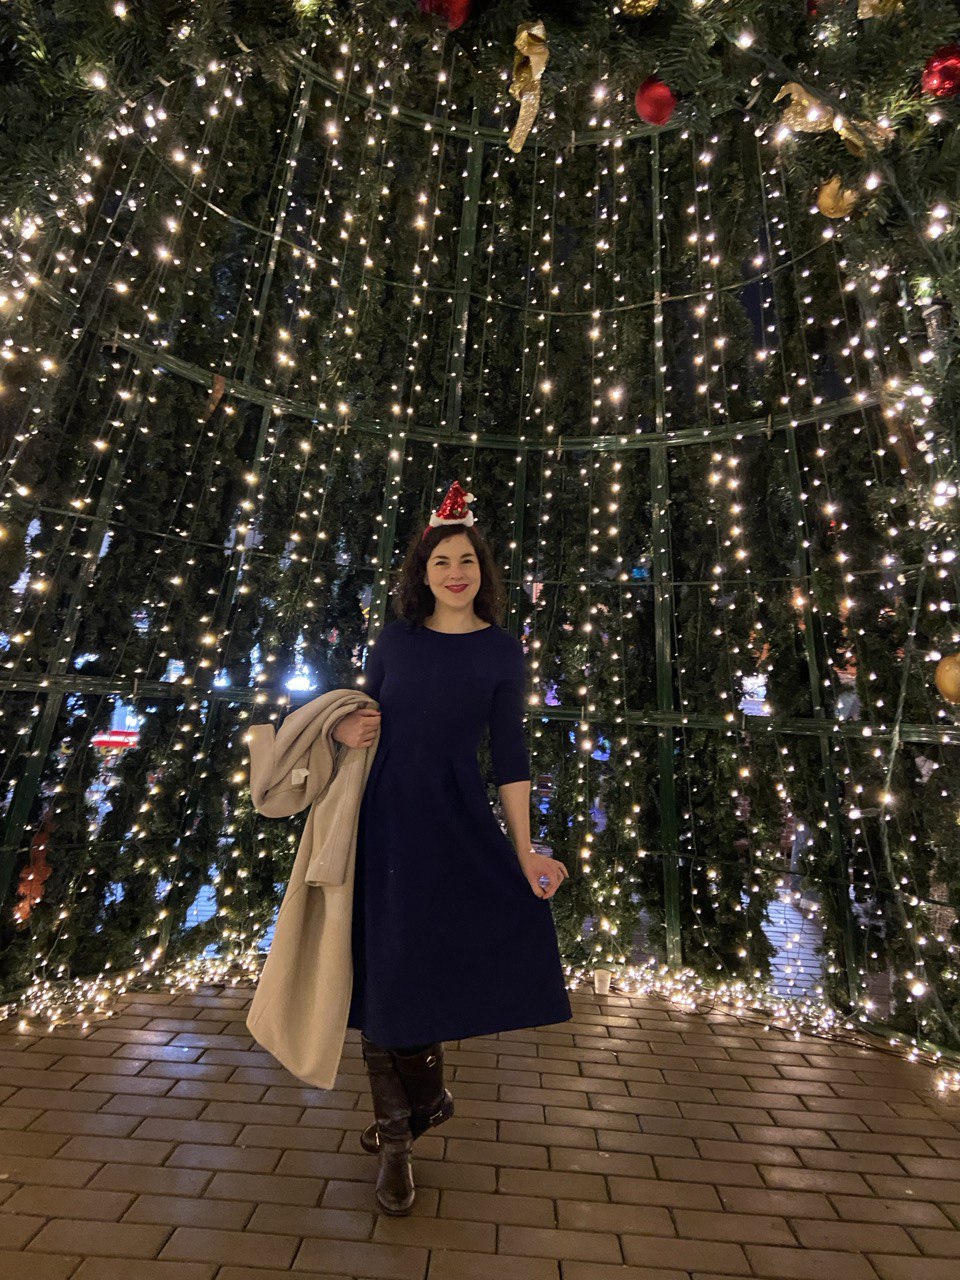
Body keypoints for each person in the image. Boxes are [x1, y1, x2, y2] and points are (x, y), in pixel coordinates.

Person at [333, 480, 572, 1216]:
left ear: (481, 570)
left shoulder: (502, 652)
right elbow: (357, 710)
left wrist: (527, 850)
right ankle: (399, 1136)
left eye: (466, 559)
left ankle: (423, 1102)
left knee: (420, 966)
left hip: (453, 823)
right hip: (380, 821)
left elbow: (511, 757)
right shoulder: (395, 639)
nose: (455, 572)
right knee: (383, 971)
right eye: (442, 561)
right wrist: (344, 730)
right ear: (423, 571)